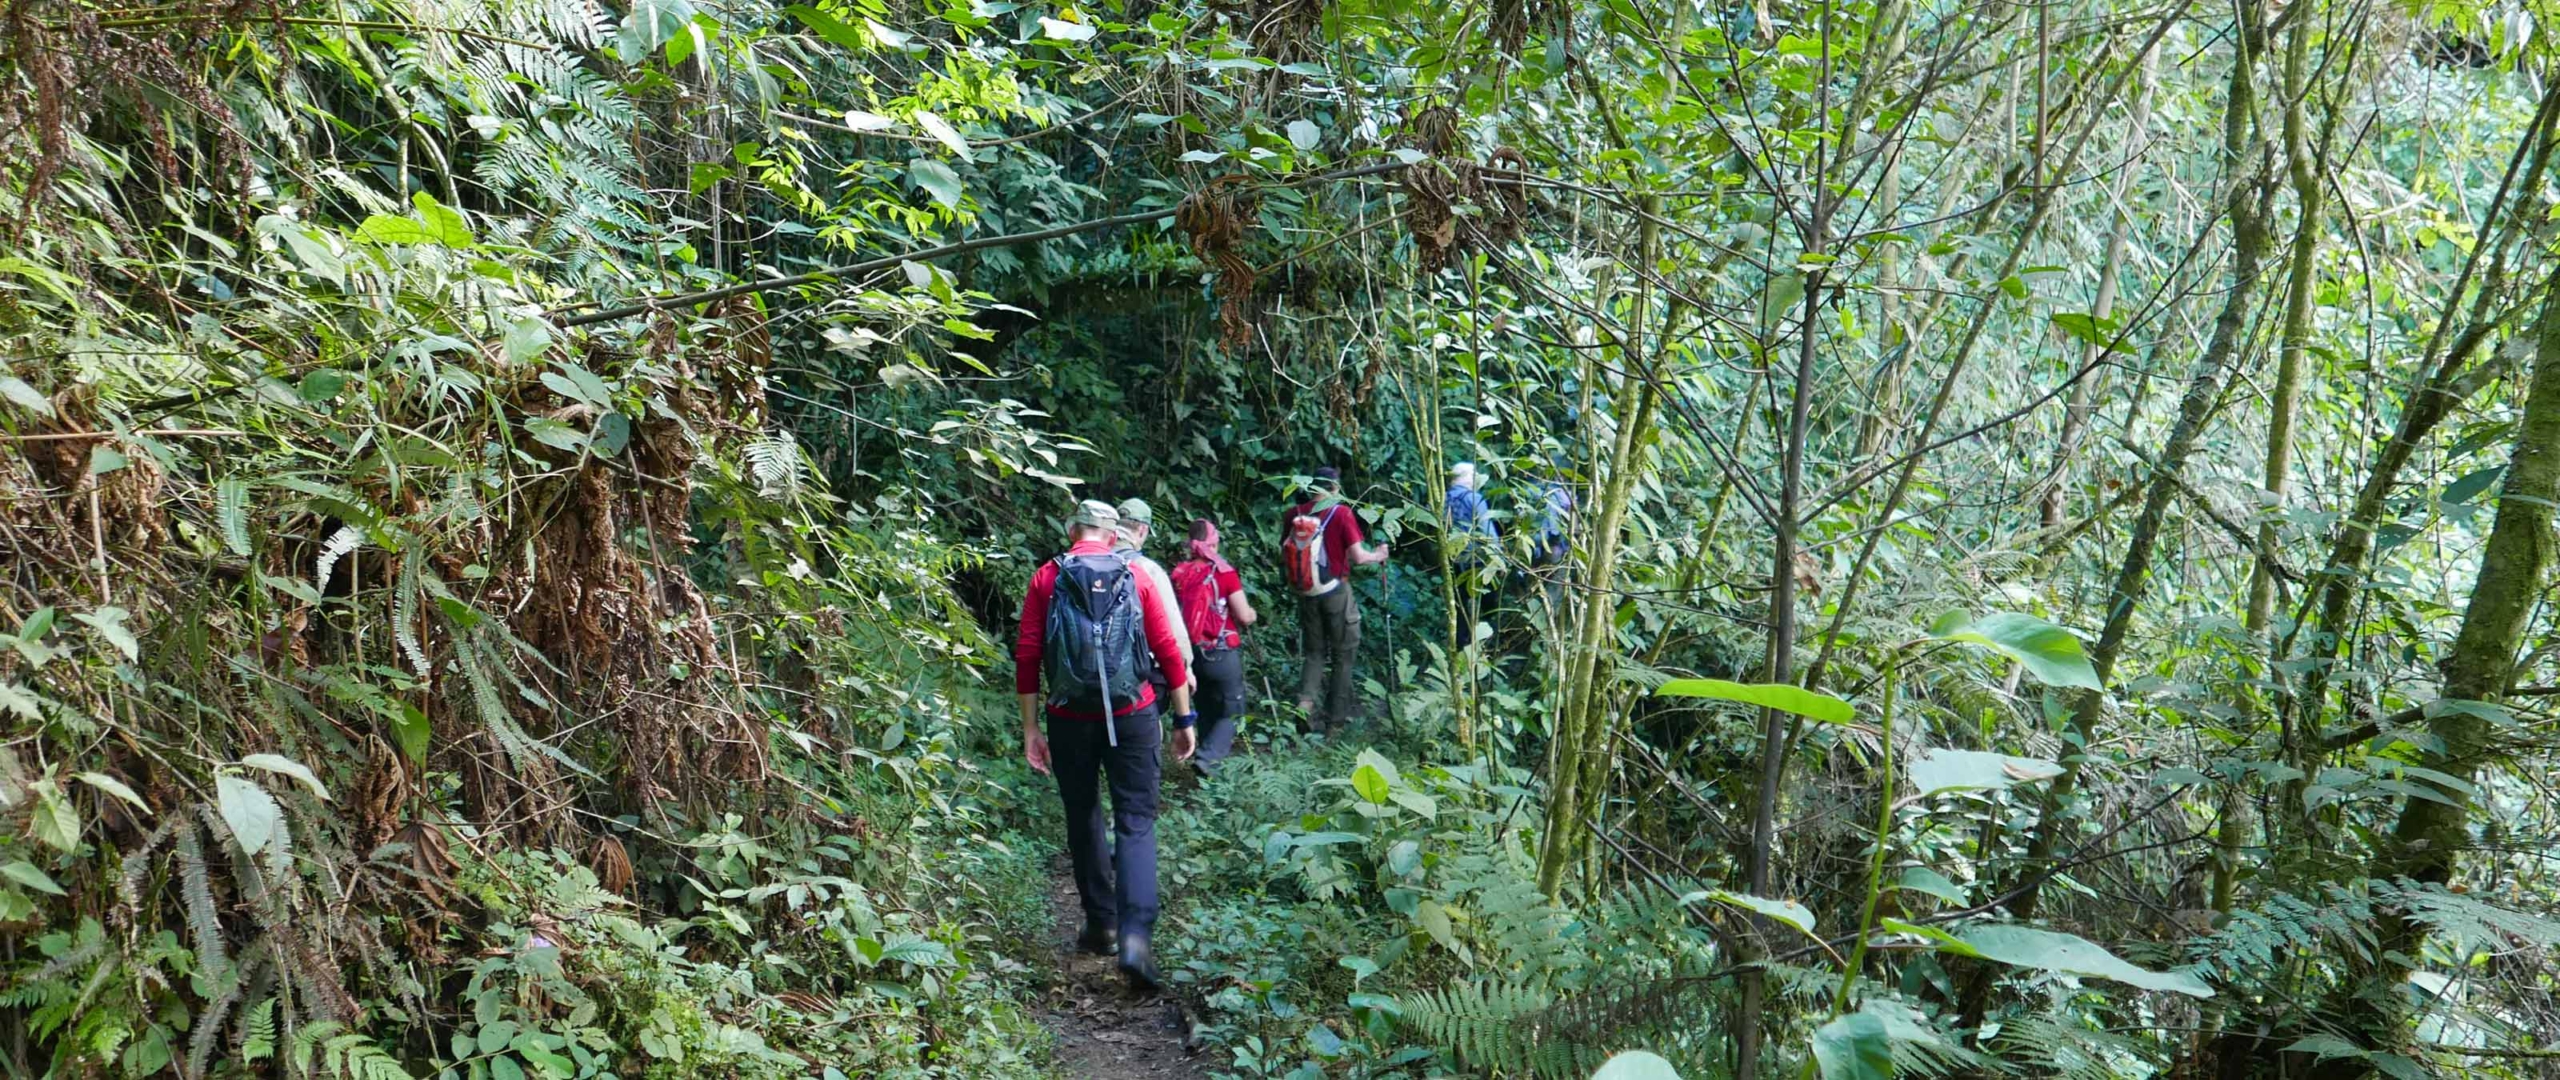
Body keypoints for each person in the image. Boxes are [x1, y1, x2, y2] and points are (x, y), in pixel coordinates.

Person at [1016, 500, 1195, 991]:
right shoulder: (1136, 575)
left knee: (1083, 813)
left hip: (1068, 717)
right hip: (1133, 713)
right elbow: (1167, 649)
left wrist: (1031, 728)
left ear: (1072, 529)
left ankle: (1102, 924)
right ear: (1114, 536)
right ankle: (1137, 939)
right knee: (1136, 820)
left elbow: (1028, 654)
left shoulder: (1047, 577)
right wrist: (1184, 718)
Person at [1277, 465, 1388, 733]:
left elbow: (1283, 551)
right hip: (1336, 592)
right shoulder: (1341, 513)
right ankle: (1334, 722)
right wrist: (1379, 555)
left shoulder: (1294, 513)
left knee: (1314, 654)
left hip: (1306, 593)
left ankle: (1304, 706)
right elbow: (1359, 557)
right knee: (1343, 655)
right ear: (1335, 488)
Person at [1170, 519, 1257, 773]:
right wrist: (1253, 614)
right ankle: (1207, 759)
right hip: (1220, 652)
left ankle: (1205, 767)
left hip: (1190, 654)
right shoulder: (1224, 572)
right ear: (1214, 543)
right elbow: (1244, 616)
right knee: (1233, 709)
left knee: (1206, 706)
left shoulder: (1179, 573)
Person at [1114, 498, 1194, 703]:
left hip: (1086, 677)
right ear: (1142, 530)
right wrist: (1186, 669)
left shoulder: (1085, 564)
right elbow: (1173, 632)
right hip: (1139, 678)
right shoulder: (1148, 569)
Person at [1445, 462, 1499, 648]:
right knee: (1488, 604)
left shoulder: (1442, 499)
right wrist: (1498, 558)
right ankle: (1484, 646)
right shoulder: (1474, 498)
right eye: (1473, 474)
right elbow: (1488, 531)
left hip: (1452, 560)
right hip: (1477, 560)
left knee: (1459, 606)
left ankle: (1460, 647)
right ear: (1465, 477)